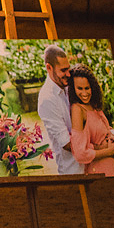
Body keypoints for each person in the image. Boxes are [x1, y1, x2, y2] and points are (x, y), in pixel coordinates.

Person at [67, 65, 114, 177]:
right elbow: (80, 154)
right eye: (80, 88)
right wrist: (109, 151)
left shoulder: (93, 105)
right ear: (73, 89)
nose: (84, 93)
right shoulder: (77, 109)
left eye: (87, 88)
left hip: (113, 165)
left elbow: (106, 129)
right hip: (100, 170)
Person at [35, 44, 82, 175]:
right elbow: (66, 144)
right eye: (63, 70)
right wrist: (99, 149)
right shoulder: (47, 99)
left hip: (89, 163)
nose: (68, 74)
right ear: (49, 68)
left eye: (69, 69)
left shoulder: (66, 84)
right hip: (73, 169)